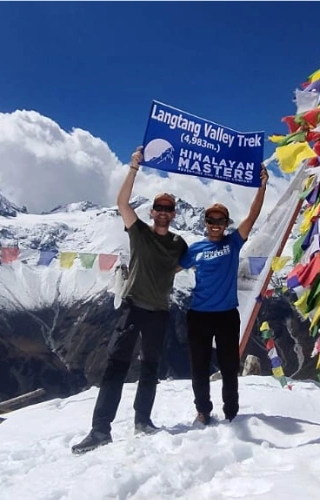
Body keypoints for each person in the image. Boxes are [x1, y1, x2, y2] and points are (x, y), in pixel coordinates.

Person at [72, 146, 188, 455]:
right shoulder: (139, 233)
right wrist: (134, 167)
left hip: (160, 313)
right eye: (159, 207)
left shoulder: (179, 243)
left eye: (168, 208)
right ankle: (100, 430)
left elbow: (182, 265)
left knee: (150, 368)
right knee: (115, 368)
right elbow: (122, 202)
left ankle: (143, 421)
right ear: (152, 212)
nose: (163, 212)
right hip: (133, 307)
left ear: (174, 214)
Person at [178, 166, 268, 425]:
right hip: (199, 316)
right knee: (199, 368)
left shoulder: (234, 242)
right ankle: (203, 411)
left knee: (229, 367)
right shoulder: (194, 249)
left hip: (228, 315)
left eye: (220, 221)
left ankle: (231, 411)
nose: (215, 225)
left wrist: (262, 187)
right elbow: (171, 268)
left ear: (226, 224)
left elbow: (252, 217)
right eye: (211, 220)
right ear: (205, 223)